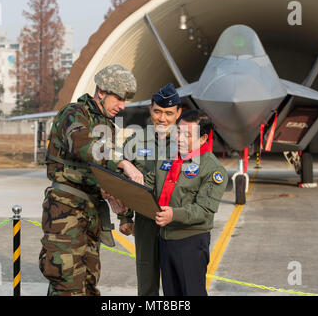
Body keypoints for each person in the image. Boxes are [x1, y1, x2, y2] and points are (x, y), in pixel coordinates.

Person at [39, 64, 143, 296]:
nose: (122, 106)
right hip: (65, 211)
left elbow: (108, 175)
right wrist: (123, 163)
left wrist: (125, 215)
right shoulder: (73, 114)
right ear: (101, 92)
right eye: (118, 98)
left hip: (91, 214)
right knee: (67, 284)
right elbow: (84, 146)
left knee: (88, 283)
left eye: (125, 100)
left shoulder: (107, 126)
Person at [145, 109, 228, 296]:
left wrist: (174, 214)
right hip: (165, 241)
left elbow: (204, 209)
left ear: (203, 139)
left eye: (187, 135)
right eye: (179, 132)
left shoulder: (212, 169)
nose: (179, 138)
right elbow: (148, 185)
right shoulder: (167, 158)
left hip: (190, 243)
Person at [119, 83, 182, 296]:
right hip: (146, 221)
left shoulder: (187, 142)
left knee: (179, 282)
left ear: (178, 113)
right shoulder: (135, 142)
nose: (162, 118)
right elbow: (123, 182)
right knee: (147, 281)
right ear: (150, 110)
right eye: (158, 112)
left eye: (168, 113)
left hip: (177, 222)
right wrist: (125, 218)